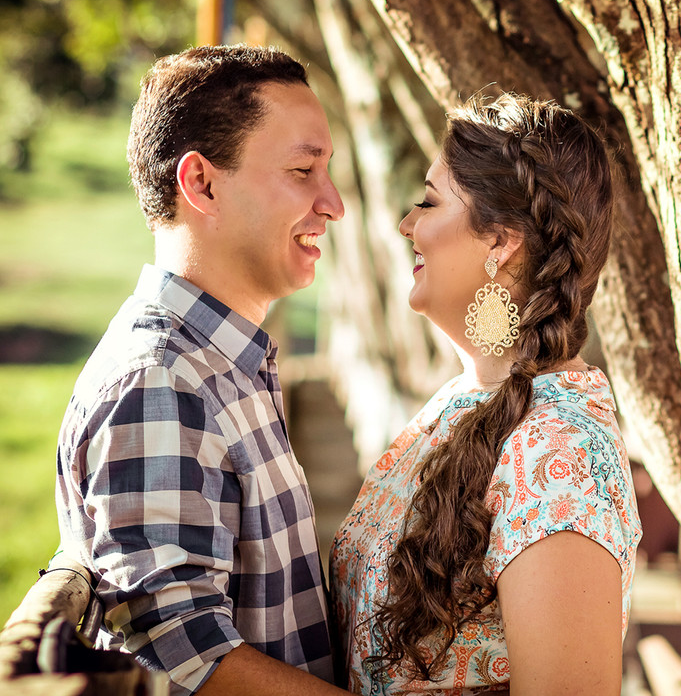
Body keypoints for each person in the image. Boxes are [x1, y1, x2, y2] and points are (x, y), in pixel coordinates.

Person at [55, 45, 349, 695]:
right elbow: (186, 660)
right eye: (303, 170)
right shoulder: (161, 381)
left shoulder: (224, 364)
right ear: (202, 184)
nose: (333, 203)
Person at [330, 93, 642, 694]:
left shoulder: (563, 458)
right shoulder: (463, 401)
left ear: (500, 243)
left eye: (428, 202)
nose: (407, 224)